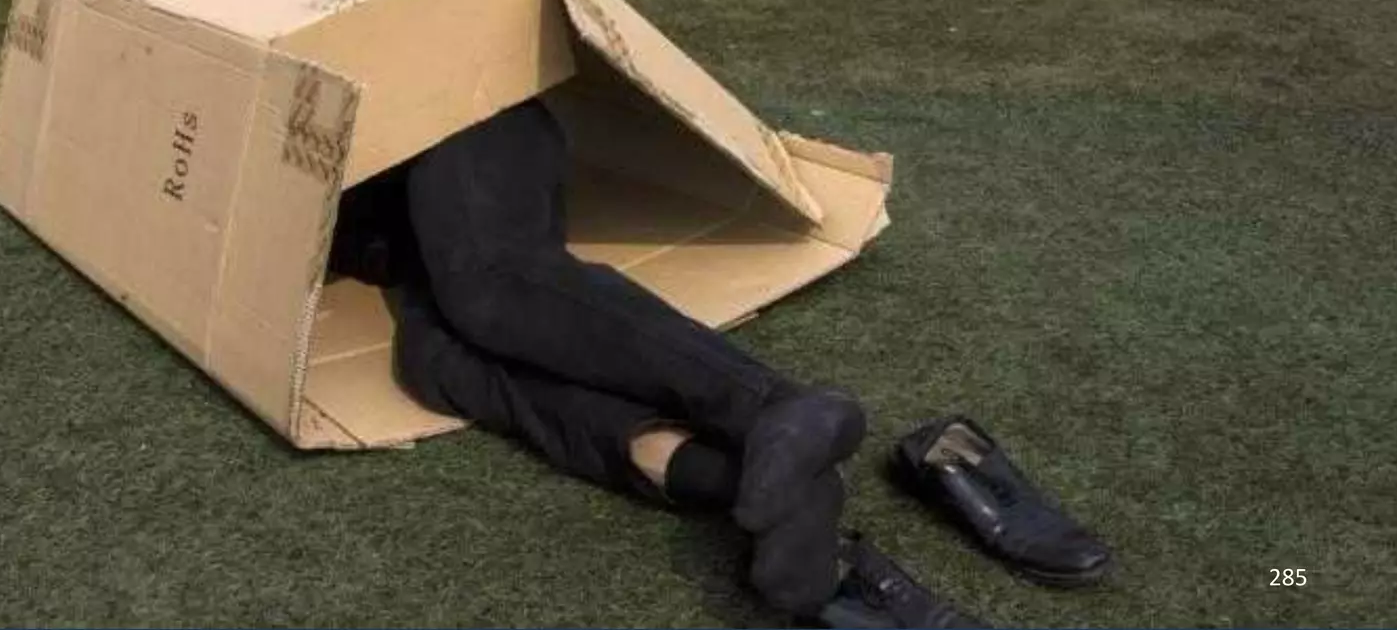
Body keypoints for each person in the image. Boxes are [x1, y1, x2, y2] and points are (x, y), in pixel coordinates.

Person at [331, 100, 991, 626]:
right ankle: (727, 478)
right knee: (433, 363)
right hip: (392, 229)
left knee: (491, 284)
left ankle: (777, 407)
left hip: (453, 110)